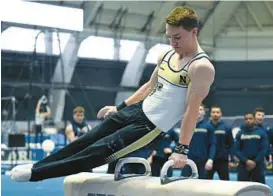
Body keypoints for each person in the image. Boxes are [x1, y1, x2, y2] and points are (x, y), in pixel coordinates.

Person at [10, 6, 215, 182]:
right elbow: (148, 86)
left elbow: (191, 108)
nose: (173, 42)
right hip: (135, 110)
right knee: (85, 140)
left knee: (97, 152)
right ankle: (36, 166)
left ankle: (37, 174)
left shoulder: (200, 67)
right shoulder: (167, 54)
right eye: (169, 37)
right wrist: (120, 107)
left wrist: (182, 149)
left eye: (177, 37)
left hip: (149, 127)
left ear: (194, 32)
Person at [182, 104, 216, 179]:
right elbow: (181, 143)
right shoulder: (186, 126)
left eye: (200, 109)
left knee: (202, 184)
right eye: (196, 109)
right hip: (188, 160)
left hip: (203, 161)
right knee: (184, 183)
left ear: (204, 112)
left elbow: (213, 144)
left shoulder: (209, 127)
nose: (198, 111)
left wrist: (210, 159)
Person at [235, 113, 268, 184]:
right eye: (246, 119)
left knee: (260, 188)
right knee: (241, 188)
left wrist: (255, 162)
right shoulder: (240, 133)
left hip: (258, 165)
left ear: (254, 120)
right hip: (243, 165)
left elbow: (264, 149)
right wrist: (246, 161)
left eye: (250, 118)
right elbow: (236, 150)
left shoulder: (261, 133)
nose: (248, 120)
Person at [207, 106, 234, 180]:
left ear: (221, 114)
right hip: (208, 160)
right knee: (205, 182)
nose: (215, 114)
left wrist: (231, 159)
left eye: (217, 112)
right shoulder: (206, 127)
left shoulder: (226, 127)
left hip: (222, 160)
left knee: (225, 182)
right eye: (213, 112)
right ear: (210, 114)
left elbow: (231, 144)